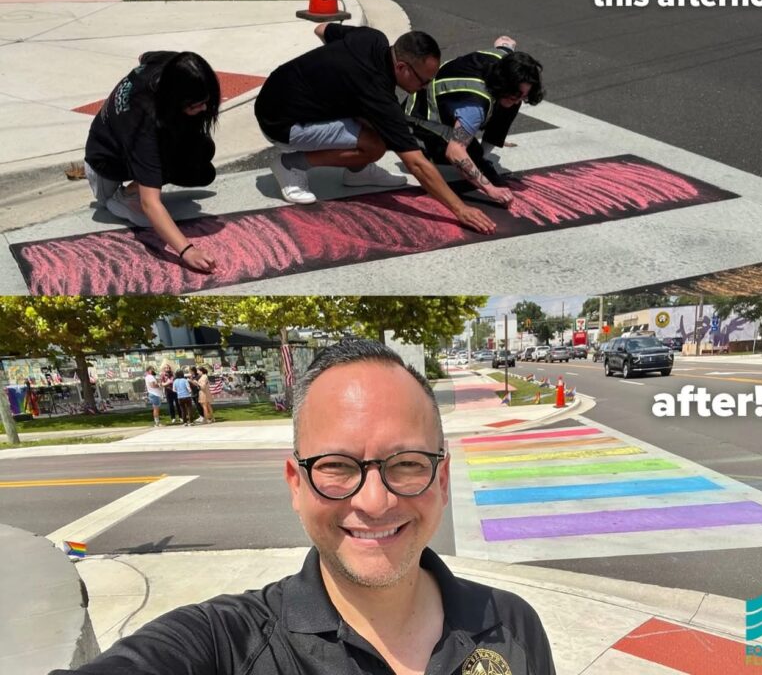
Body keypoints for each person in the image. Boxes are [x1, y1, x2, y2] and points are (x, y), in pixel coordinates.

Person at [52, 339, 555, 674]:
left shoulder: (512, 624)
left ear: (442, 480)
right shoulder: (227, 645)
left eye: (405, 464)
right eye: (337, 465)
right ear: (296, 483)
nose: (375, 501)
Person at [254, 25, 496, 234]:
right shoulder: (377, 92)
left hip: (275, 94)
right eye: (423, 81)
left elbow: (322, 29)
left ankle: (357, 173)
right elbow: (417, 164)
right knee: (376, 144)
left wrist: (328, 75)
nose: (425, 88)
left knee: (378, 126)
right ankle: (291, 165)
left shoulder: (372, 38)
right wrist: (460, 208)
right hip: (282, 124)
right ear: (402, 67)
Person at [84, 51, 220, 274]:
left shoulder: (172, 66)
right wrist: (187, 251)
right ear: (174, 99)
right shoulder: (144, 128)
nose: (204, 109)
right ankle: (120, 197)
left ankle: (137, 183)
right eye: (195, 105)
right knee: (148, 218)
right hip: (105, 164)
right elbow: (150, 204)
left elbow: (143, 56)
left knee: (203, 162)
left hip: (124, 141)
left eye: (205, 102)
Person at [405, 37, 543, 207]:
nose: (519, 99)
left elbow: (505, 42)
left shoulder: (504, 59)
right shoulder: (475, 106)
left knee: (509, 105)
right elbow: (455, 152)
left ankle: (481, 157)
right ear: (503, 83)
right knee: (467, 157)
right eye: (516, 94)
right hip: (420, 117)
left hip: (451, 103)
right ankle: (422, 145)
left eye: (524, 95)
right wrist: (491, 189)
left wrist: (506, 46)